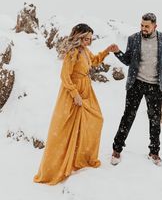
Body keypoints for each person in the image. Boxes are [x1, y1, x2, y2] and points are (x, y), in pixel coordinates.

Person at [34, 23, 117, 185]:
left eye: (90, 39)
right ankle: (56, 167)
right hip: (73, 92)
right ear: (78, 37)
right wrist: (74, 94)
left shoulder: (85, 51)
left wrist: (107, 51)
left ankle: (81, 157)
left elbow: (93, 61)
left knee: (95, 119)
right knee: (66, 128)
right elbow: (65, 75)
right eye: (85, 39)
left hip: (86, 89)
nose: (88, 42)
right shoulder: (72, 52)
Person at [111, 13, 162, 166]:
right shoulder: (133, 39)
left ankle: (154, 153)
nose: (143, 28)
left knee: (155, 120)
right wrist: (117, 52)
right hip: (136, 84)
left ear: (155, 26)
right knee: (128, 116)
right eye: (142, 25)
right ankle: (117, 149)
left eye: (147, 26)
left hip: (155, 86)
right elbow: (128, 61)